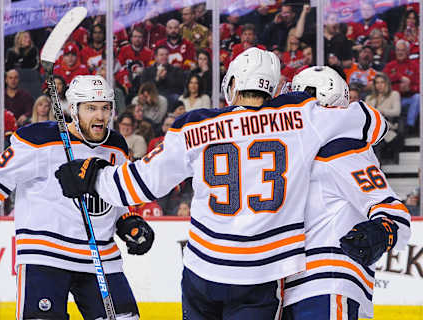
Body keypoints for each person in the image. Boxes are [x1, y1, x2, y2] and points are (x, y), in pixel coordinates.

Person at [55, 48, 387, 319]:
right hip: (260, 274)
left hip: (203, 270)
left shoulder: (194, 125)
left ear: (232, 84)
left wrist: (92, 177)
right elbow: (374, 124)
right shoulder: (303, 116)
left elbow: (140, 184)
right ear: (273, 88)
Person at [0, 75, 153, 319]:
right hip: (45, 256)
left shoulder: (116, 145)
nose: (100, 116)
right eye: (91, 108)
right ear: (74, 110)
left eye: (105, 108)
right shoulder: (38, 140)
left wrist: (128, 220)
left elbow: (116, 192)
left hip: (101, 256)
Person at [282, 66, 411, 320]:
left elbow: (395, 215)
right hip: (287, 288)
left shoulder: (342, 149)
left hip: (326, 282)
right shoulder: (285, 149)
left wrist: (383, 230)